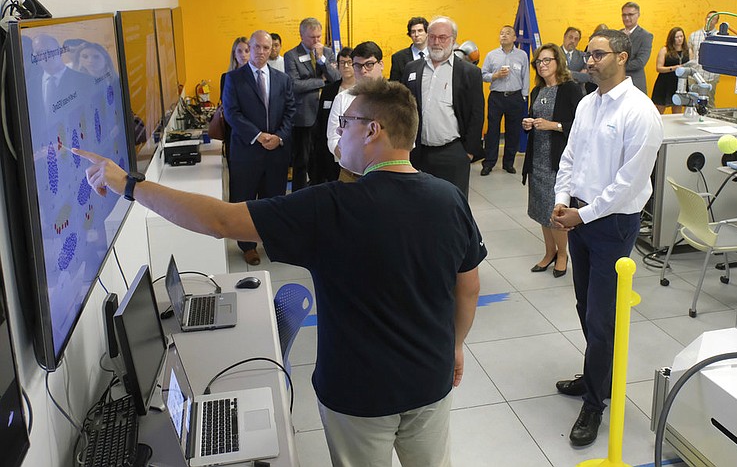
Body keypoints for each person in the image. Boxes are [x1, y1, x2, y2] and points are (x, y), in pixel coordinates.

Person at [74, 77, 486, 467]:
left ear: (372, 130)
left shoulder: (329, 207)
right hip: (430, 379)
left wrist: (129, 185)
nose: (339, 134)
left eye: (345, 124)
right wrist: (455, 345)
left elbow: (219, 220)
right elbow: (467, 287)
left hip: (360, 392)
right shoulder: (448, 197)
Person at [551, 29, 663, 447]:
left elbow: (628, 183)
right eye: (588, 54)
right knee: (586, 305)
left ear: (622, 56)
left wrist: (583, 214)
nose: (589, 60)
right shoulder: (587, 103)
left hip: (612, 224)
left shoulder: (640, 112)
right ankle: (598, 375)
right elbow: (571, 156)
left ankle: (597, 403)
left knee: (602, 317)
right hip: (580, 216)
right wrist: (564, 200)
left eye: (597, 54)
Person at [222, 30, 296, 266]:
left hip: (276, 151)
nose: (262, 52)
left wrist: (279, 137)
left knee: (273, 199)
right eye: (257, 47)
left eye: (267, 48)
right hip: (246, 151)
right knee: (245, 200)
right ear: (249, 48)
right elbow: (232, 114)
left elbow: (290, 112)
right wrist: (258, 135)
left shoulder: (283, 79)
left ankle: (273, 243)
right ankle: (247, 246)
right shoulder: (234, 78)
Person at [402, 16, 485, 198]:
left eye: (442, 37)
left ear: (453, 40)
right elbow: (404, 109)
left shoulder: (469, 73)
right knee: (419, 204)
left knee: (452, 205)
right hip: (418, 153)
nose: (436, 42)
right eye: (432, 37)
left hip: (453, 152)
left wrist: (468, 152)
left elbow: (476, 114)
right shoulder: (412, 69)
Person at [521, 44, 581, 278]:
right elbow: (536, 118)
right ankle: (549, 252)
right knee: (540, 209)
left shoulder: (570, 89)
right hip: (537, 158)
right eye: (539, 61)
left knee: (555, 210)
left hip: (558, 160)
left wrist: (553, 126)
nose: (543, 65)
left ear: (558, 62)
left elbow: (579, 125)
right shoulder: (537, 91)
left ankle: (563, 255)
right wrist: (529, 124)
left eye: (547, 60)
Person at [284, 18, 341, 191]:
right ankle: (298, 196)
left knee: (323, 157)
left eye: (318, 36)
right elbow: (294, 85)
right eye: (312, 38)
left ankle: (321, 191)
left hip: (326, 114)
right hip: (303, 116)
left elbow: (336, 78)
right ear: (302, 36)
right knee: (302, 161)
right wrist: (321, 82)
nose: (316, 41)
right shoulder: (291, 56)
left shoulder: (328, 53)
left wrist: (322, 59)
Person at [326, 41, 386, 182]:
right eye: (357, 66)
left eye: (369, 64)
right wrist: (351, 159)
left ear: (381, 65)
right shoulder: (342, 98)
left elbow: (407, 142)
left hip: (384, 175)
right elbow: (333, 137)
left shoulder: (398, 98)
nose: (363, 70)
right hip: (350, 175)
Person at [480, 25, 530, 176]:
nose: (504, 36)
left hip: (515, 97)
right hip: (496, 97)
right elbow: (483, 74)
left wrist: (523, 96)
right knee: (493, 131)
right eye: (501, 33)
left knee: (513, 131)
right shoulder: (491, 55)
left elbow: (525, 76)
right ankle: (488, 163)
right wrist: (495, 76)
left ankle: (509, 163)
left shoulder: (522, 55)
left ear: (514, 38)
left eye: (508, 33)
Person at [310, 47, 354, 184]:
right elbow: (321, 120)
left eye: (349, 62)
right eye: (342, 63)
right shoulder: (329, 90)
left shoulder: (362, 91)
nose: (346, 66)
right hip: (331, 148)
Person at [217, 36, 250, 161]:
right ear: (234, 54)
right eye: (239, 51)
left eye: (247, 51)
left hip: (254, 130)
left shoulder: (259, 77)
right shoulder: (226, 77)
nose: (243, 55)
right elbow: (226, 104)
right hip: (233, 129)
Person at [651, 27, 690, 114]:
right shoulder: (665, 50)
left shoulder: (688, 51)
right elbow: (659, 68)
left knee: (677, 109)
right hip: (665, 82)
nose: (680, 39)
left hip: (680, 82)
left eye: (681, 36)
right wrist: (674, 68)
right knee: (659, 109)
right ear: (672, 38)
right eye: (677, 37)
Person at [688, 11, 721, 109]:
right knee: (692, 102)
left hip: (710, 76)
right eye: (708, 17)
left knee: (708, 104)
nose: (710, 20)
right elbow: (690, 55)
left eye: (713, 18)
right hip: (695, 75)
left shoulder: (720, 37)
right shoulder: (694, 35)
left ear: (717, 22)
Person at [619, 2, 653, 93]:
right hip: (616, 83)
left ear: (638, 15)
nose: (626, 18)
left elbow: (640, 62)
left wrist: (616, 66)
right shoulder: (616, 35)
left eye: (630, 15)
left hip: (635, 84)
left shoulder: (645, 36)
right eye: (624, 15)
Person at [389, 16, 429, 82]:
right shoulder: (398, 58)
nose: (416, 34)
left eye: (420, 31)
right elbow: (395, 86)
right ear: (410, 34)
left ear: (427, 33)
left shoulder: (436, 54)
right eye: (413, 32)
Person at [562, 27, 590, 93]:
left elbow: (587, 77)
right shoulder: (555, 54)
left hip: (579, 93)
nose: (573, 41)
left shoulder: (583, 56)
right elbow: (557, 75)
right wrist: (579, 75)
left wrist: (566, 73)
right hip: (561, 93)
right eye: (570, 37)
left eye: (576, 39)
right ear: (564, 37)